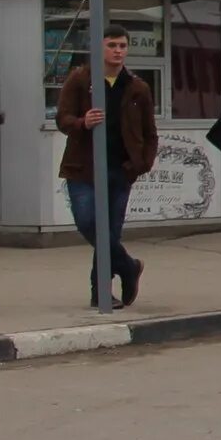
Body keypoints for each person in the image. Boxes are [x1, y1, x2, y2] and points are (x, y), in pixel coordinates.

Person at [57, 23, 158, 309]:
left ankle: (100, 292)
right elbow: (62, 118)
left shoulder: (137, 87)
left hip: (120, 169)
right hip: (83, 168)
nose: (117, 51)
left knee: (110, 232)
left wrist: (142, 163)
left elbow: (150, 132)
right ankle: (127, 265)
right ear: (100, 47)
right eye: (112, 45)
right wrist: (82, 122)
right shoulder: (81, 80)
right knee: (89, 222)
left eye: (122, 46)